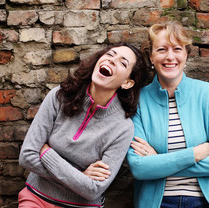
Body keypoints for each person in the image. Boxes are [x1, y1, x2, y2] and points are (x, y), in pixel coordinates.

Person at [18, 43, 147, 208]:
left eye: (123, 63)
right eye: (110, 54)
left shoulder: (123, 128)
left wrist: (46, 153)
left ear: (127, 83)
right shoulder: (58, 96)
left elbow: (94, 189)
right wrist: (80, 175)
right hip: (36, 198)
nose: (113, 60)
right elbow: (27, 156)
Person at [126, 21, 209, 208]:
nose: (170, 57)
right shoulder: (138, 100)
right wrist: (194, 154)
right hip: (156, 203)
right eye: (161, 50)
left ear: (186, 54)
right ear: (151, 57)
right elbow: (139, 168)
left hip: (204, 202)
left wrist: (158, 162)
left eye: (177, 48)